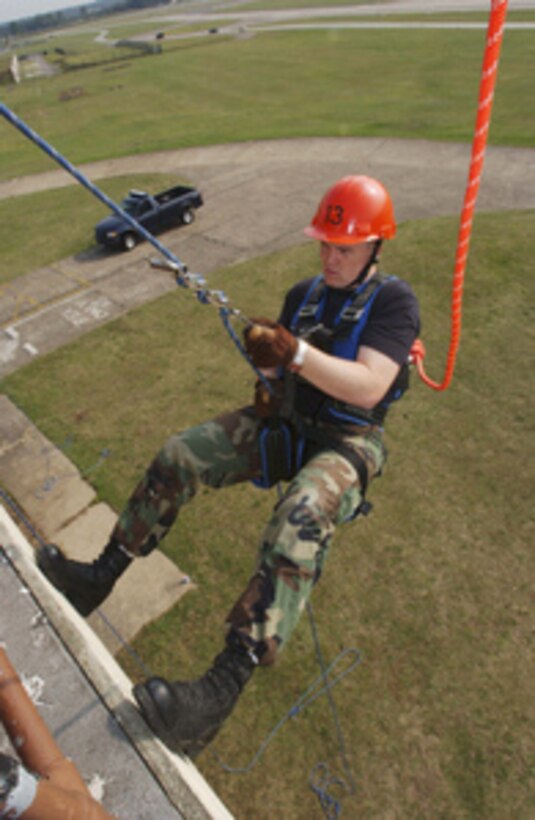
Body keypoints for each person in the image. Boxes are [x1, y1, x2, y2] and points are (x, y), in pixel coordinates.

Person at [37, 175, 420, 757]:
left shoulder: (394, 303)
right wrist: (267, 368)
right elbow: (280, 379)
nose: (331, 256)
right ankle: (101, 575)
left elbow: (368, 386)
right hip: (290, 423)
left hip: (348, 439)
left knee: (302, 513)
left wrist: (295, 352)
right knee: (180, 454)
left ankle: (216, 695)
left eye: (345, 248)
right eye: (325, 244)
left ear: (375, 247)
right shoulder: (305, 295)